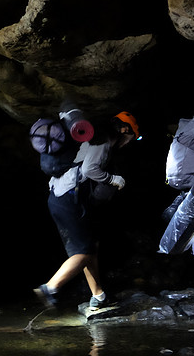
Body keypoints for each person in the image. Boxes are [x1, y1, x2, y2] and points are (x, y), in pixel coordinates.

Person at [34, 111, 140, 310]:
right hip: (67, 199)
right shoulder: (102, 143)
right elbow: (91, 169)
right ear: (125, 129)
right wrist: (112, 179)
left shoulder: (94, 139)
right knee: (83, 251)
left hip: (60, 197)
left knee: (92, 246)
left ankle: (98, 296)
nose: (129, 142)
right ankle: (50, 287)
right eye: (131, 136)